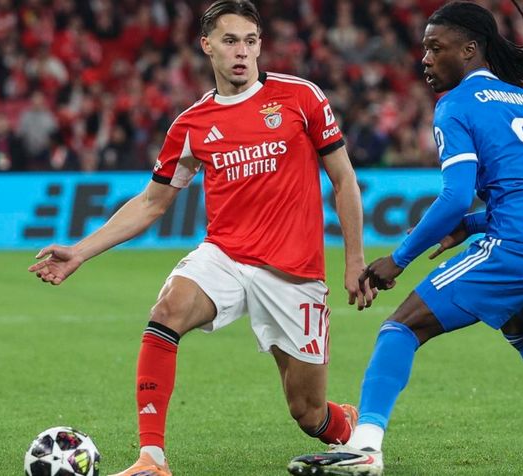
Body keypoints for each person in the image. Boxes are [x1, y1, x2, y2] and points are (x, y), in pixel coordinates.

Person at [28, 1, 375, 475]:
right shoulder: (191, 125)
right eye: (230, 41)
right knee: (167, 310)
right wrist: (80, 252)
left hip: (294, 274)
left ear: (260, 46)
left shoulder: (301, 97)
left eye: (250, 41)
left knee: (307, 412)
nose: (242, 52)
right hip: (226, 256)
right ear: (207, 45)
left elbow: (344, 179)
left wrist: (354, 260)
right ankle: (152, 458)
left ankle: (344, 427)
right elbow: (152, 203)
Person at [288, 1, 523, 475]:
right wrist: (471, 227)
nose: (424, 58)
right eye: (424, 48)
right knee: (520, 323)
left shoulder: (457, 104)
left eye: (435, 47)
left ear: (468, 49)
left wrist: (398, 259)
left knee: (400, 327)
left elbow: (456, 197)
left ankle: (366, 446)